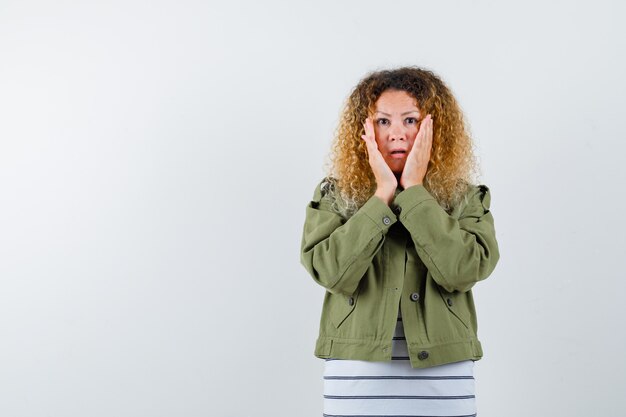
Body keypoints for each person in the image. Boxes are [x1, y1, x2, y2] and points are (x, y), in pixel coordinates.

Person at [299, 66, 500, 416]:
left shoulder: (465, 197)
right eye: (383, 122)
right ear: (362, 130)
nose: (396, 134)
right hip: (355, 375)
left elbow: (463, 271)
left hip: (443, 376)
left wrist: (416, 192)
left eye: (410, 121)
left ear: (434, 127)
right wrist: (382, 195)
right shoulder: (335, 194)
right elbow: (330, 272)